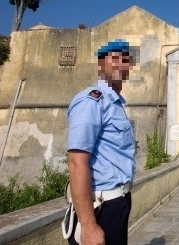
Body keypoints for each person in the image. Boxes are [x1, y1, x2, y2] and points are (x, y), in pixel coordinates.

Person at [66, 39, 136, 245]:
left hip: (118, 201)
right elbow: (76, 162)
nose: (119, 64)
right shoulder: (92, 100)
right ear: (100, 64)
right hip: (100, 206)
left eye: (124, 60)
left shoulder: (114, 103)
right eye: (113, 59)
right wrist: (88, 225)